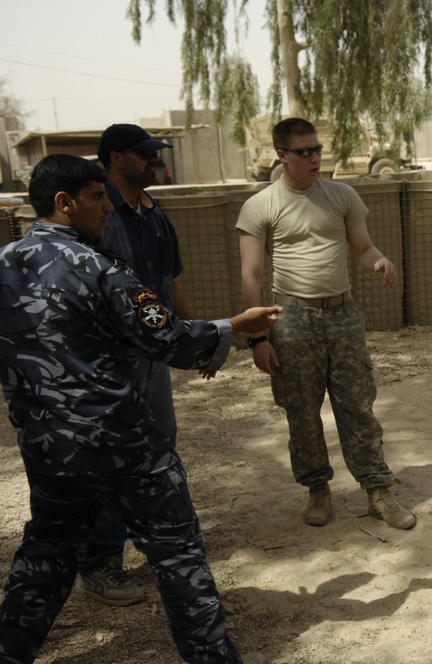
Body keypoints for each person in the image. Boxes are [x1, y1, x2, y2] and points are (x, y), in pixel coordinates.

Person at [0, 154, 276, 664]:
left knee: (46, 555)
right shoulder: (101, 268)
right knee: (176, 552)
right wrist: (233, 326)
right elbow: (167, 337)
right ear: (64, 203)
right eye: (95, 196)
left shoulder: (5, 265)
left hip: (50, 448)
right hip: (124, 446)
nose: (107, 206)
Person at [237, 117, 416, 531]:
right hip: (291, 319)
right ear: (282, 155)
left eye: (317, 149)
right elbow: (251, 277)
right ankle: (318, 489)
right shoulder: (260, 205)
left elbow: (364, 248)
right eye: (304, 151)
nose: (315, 157)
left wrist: (380, 261)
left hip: (342, 314)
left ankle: (377, 491)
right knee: (301, 410)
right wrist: (258, 337)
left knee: (358, 405)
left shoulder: (342, 195)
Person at [74, 123, 188, 607]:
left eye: (155, 153)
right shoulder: (100, 218)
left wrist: (187, 339)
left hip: (152, 356)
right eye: (145, 154)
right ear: (117, 158)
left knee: (159, 443)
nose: (154, 161)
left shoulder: (153, 214)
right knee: (112, 454)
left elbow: (168, 281)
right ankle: (100, 562)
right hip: (113, 357)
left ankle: (151, 537)